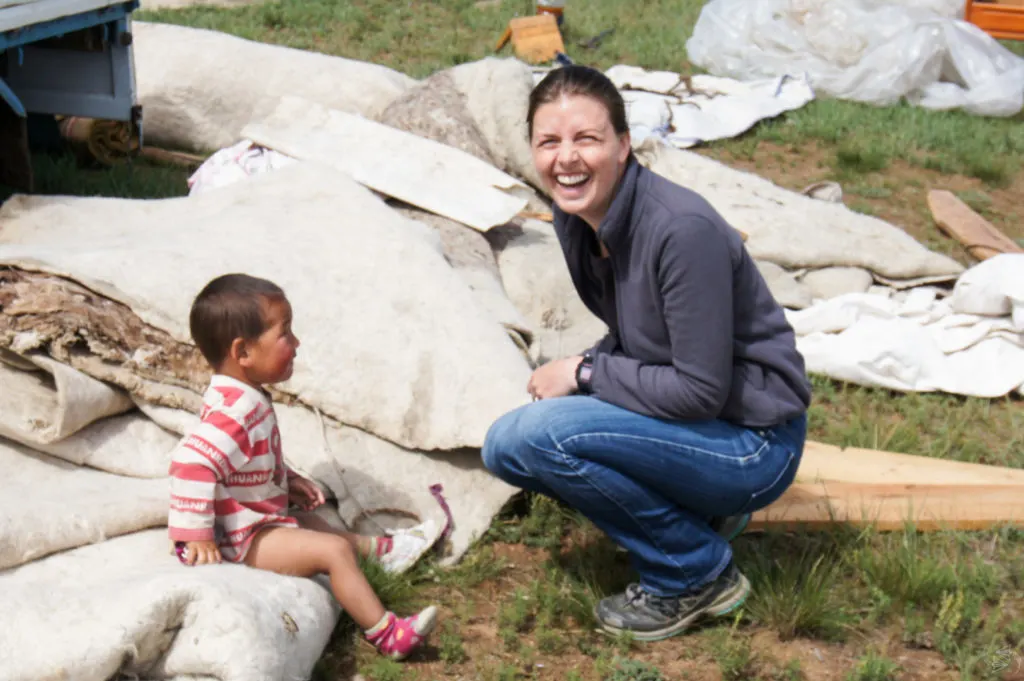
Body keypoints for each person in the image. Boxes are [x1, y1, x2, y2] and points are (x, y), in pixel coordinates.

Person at [481, 65, 812, 642]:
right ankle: (700, 514)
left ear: (624, 144)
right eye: (549, 141)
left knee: (534, 437)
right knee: (509, 446)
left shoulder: (681, 231)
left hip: (754, 443)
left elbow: (699, 390)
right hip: (704, 421)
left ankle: (692, 571)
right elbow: (638, 335)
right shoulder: (577, 215)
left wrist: (584, 372)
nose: (567, 159)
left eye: (586, 139)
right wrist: (589, 371)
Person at [168, 273, 438, 660]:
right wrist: (197, 537)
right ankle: (386, 633)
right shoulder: (237, 410)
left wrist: (286, 480)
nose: (296, 344)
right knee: (331, 552)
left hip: (258, 517)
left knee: (313, 525)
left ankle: (383, 552)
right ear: (242, 352)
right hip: (239, 539)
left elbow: (245, 458)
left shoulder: (244, 395)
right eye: (285, 334)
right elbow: (191, 463)